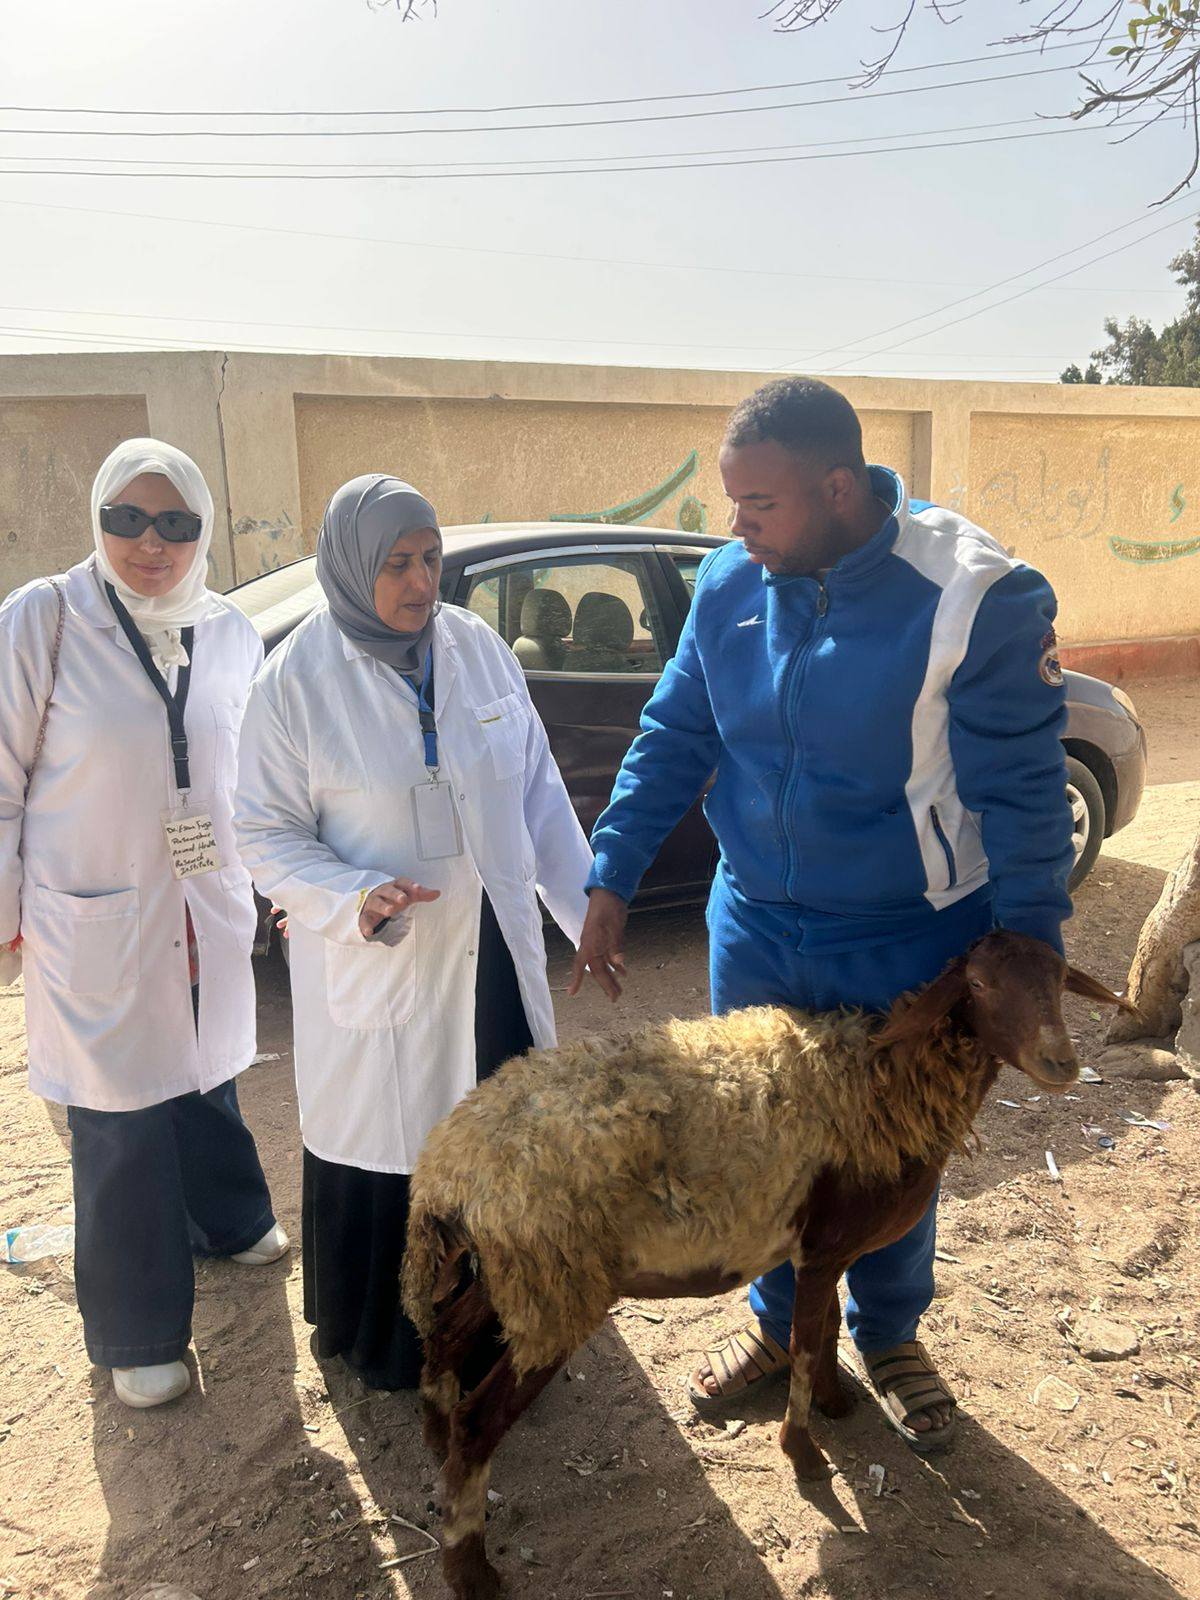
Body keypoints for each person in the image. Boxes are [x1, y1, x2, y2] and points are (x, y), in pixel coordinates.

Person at [572, 378, 1074, 1453]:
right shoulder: (729, 584)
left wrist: (1032, 947)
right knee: (765, 1144)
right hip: (756, 925)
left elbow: (1026, 791)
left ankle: (890, 1334)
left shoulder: (974, 596)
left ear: (839, 489)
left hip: (906, 937)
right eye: (732, 502)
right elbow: (676, 732)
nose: (736, 526)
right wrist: (611, 876)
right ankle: (780, 1330)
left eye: (760, 504)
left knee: (892, 1153)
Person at [234, 474, 593, 1391]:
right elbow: (263, 833)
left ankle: (504, 1326)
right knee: (395, 1151)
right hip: (383, 954)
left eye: (430, 558)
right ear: (353, 567)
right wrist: (349, 896)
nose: (421, 581)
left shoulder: (478, 647)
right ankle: (399, 1344)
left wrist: (587, 908)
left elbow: (538, 788)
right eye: (396, 563)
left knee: (504, 1141)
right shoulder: (293, 683)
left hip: (492, 952)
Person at [0, 438, 288, 1411]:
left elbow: (256, 778)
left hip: (204, 902)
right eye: (127, 518)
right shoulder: (43, 619)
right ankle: (138, 1327)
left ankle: (229, 1216)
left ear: (202, 531)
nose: (150, 542)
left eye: (174, 522)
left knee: (206, 1071)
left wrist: (282, 884)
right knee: (119, 1116)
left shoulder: (231, 633)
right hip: (93, 914)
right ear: (98, 519)